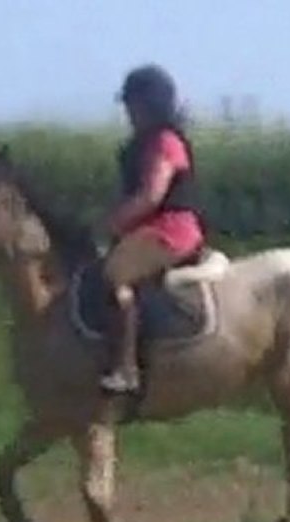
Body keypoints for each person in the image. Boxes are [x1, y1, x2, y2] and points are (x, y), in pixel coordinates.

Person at [99, 64, 206, 394]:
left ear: (150, 105)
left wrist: (112, 223)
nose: (129, 112)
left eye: (133, 105)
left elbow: (151, 196)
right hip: (150, 228)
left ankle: (127, 367)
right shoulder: (140, 144)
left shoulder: (165, 142)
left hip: (172, 229)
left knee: (115, 274)